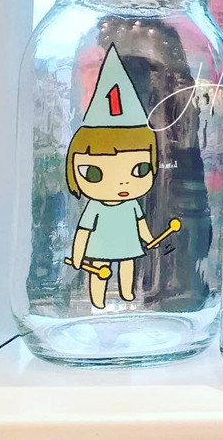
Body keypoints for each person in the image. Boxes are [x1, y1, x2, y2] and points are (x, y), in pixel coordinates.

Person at [65, 44, 159, 309]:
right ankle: (98, 300)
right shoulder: (95, 207)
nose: (122, 183)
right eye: (94, 173)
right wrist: (77, 255)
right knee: (99, 268)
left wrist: (149, 238)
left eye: (139, 170)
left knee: (127, 265)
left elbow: (141, 224)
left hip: (127, 243)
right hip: (100, 247)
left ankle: (128, 294)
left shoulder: (131, 204)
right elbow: (83, 231)